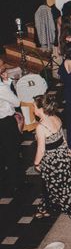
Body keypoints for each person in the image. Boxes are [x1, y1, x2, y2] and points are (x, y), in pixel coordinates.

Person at [33, 95, 71, 224]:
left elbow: (41, 149)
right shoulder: (56, 118)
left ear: (41, 108)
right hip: (63, 156)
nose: (33, 109)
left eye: (34, 107)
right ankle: (44, 207)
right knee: (58, 185)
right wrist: (67, 148)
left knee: (62, 188)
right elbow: (62, 136)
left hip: (52, 160)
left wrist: (36, 163)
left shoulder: (41, 127)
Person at [0, 66, 22, 196]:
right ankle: (15, 184)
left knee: (3, 153)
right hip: (5, 122)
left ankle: (4, 183)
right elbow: (17, 102)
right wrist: (7, 84)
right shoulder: (1, 88)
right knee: (12, 152)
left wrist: (6, 82)